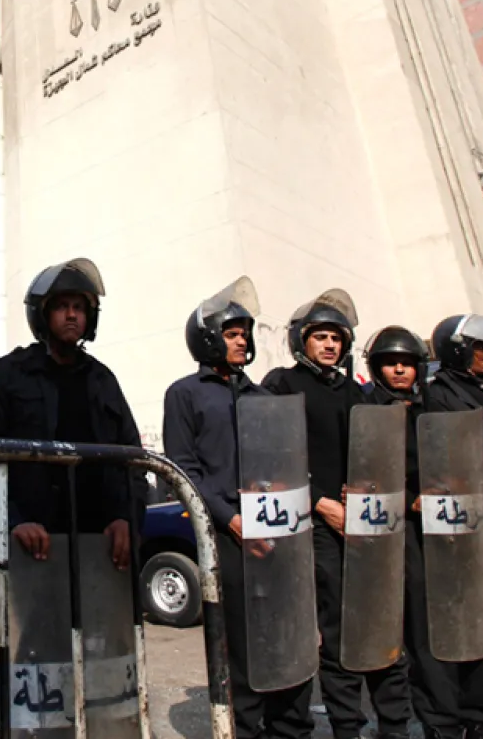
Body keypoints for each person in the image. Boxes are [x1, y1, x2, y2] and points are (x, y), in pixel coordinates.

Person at [164, 278, 313, 739]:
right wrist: (231, 519)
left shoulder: (264, 398)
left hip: (278, 536)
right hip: (226, 537)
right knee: (243, 648)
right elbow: (183, 468)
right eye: (232, 333)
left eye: (245, 333)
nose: (243, 340)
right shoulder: (185, 394)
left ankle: (291, 728)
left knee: (288, 639)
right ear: (208, 337)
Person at [263, 291, 412, 739]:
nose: (329, 345)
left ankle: (395, 725)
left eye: (335, 338)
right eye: (320, 337)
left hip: (367, 524)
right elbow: (272, 455)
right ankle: (347, 725)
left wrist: (367, 492)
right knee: (338, 628)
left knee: (384, 622)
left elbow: (380, 455)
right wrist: (322, 502)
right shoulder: (281, 385)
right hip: (316, 525)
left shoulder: (358, 393)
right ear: (301, 342)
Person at [364, 325, 483, 739]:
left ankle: (477, 715)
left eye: (406, 363)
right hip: (406, 533)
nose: (400, 371)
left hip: (457, 526)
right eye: (391, 364)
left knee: (469, 618)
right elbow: (364, 475)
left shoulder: (435, 402)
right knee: (425, 633)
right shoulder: (368, 410)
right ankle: (440, 722)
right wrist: (408, 500)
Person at [0, 258, 140, 571]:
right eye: (61, 306)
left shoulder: (103, 380)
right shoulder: (7, 375)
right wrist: (11, 525)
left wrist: (126, 518)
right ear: (42, 314)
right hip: (31, 545)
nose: (72, 314)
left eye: (79, 307)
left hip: (101, 545)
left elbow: (133, 461)